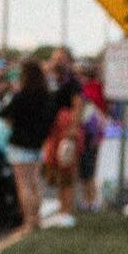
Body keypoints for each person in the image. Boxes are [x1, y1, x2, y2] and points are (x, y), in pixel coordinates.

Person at [1, 58, 56, 231]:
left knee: (23, 183)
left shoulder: (20, 97)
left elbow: (3, 114)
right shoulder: (46, 97)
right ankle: (37, 218)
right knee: (35, 181)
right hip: (37, 144)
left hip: (19, 144)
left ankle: (28, 221)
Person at [44, 48, 84, 226]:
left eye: (61, 59)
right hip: (53, 130)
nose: (57, 62)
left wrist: (73, 128)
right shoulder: (52, 81)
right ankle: (61, 209)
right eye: (55, 59)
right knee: (56, 172)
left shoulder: (73, 83)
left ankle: (67, 210)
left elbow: (78, 105)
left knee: (67, 170)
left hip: (66, 128)